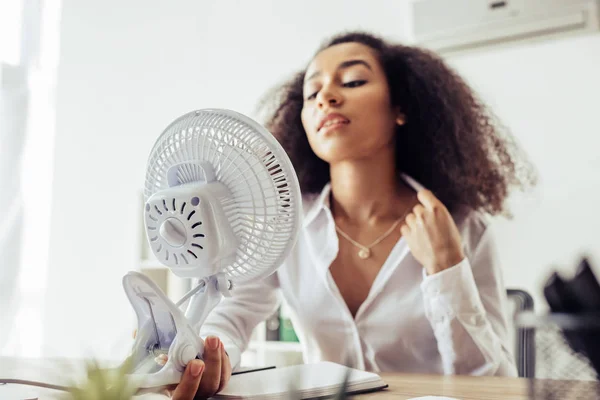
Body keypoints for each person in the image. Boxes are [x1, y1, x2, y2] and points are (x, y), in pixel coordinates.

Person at [168, 30, 536, 399]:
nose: (326, 97)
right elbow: (231, 314)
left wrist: (447, 267)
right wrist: (202, 355)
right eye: (312, 94)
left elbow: (495, 384)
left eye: (353, 81)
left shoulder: (462, 227)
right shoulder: (285, 225)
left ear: (400, 108)